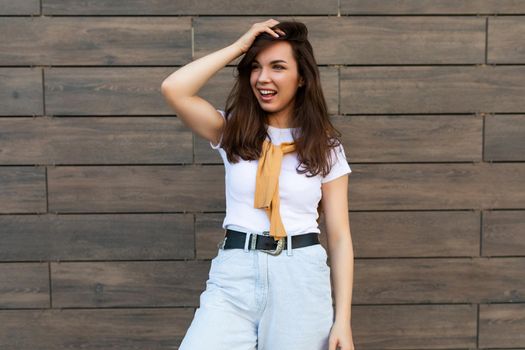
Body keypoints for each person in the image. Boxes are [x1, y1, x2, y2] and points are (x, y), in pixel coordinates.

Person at [161, 19, 355, 350]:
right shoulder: (231, 131)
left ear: (302, 78)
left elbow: (339, 238)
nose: (263, 78)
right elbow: (174, 89)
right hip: (234, 274)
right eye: (255, 67)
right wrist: (239, 47)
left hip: (301, 279)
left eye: (277, 67)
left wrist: (343, 320)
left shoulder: (326, 147)